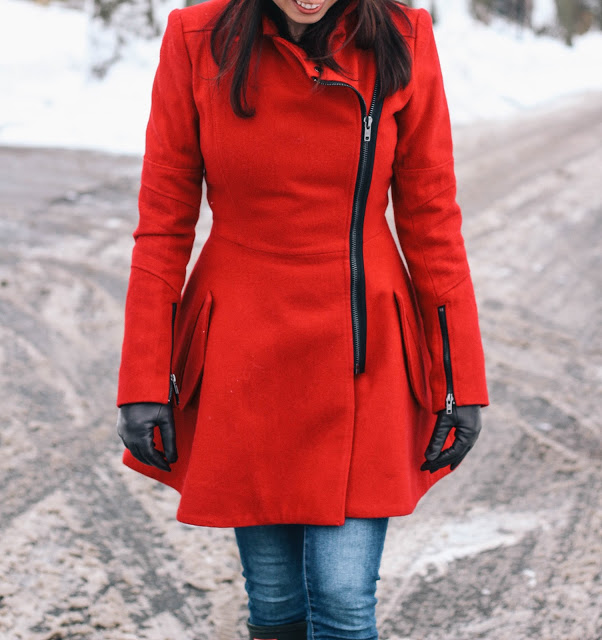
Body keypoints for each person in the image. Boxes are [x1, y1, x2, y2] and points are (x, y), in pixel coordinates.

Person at [115, 0, 489, 638]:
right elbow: (164, 221)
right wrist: (143, 380)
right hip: (243, 349)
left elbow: (431, 216)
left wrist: (461, 379)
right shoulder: (196, 38)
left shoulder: (401, 35)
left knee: (344, 602)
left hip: (362, 344)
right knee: (275, 603)